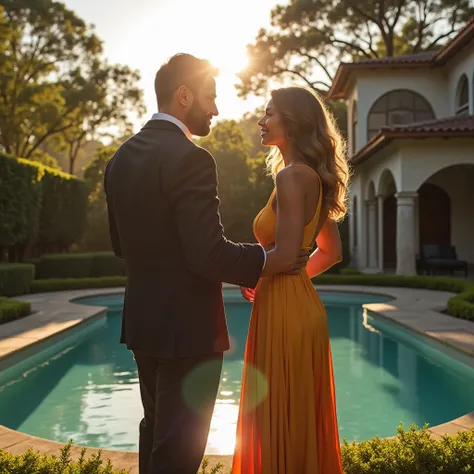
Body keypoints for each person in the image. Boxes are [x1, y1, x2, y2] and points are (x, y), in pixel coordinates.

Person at [104, 54, 310, 474]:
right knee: (179, 452)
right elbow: (208, 254)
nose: (216, 109)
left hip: (143, 325)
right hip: (189, 332)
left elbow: (119, 246)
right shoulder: (192, 158)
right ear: (184, 95)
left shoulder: (119, 160)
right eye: (211, 97)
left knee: (155, 433)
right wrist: (272, 260)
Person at [232, 86, 350, 474]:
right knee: (296, 415)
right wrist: (282, 272)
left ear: (293, 122)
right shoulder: (314, 177)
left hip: (283, 312)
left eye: (269, 114)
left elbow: (284, 256)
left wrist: (259, 268)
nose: (261, 121)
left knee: (276, 417)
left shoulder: (290, 178)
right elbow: (330, 252)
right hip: (301, 306)